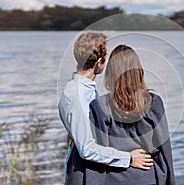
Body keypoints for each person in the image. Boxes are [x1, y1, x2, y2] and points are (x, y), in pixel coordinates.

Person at [58, 32, 153, 184]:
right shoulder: (78, 95)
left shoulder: (86, 89)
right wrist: (128, 158)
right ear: (99, 62)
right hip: (83, 174)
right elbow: (86, 149)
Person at [86, 45, 175, 184]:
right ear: (138, 71)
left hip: (113, 179)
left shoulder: (99, 106)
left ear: (110, 73)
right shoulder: (153, 102)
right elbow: (164, 150)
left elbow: (98, 153)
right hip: (146, 178)